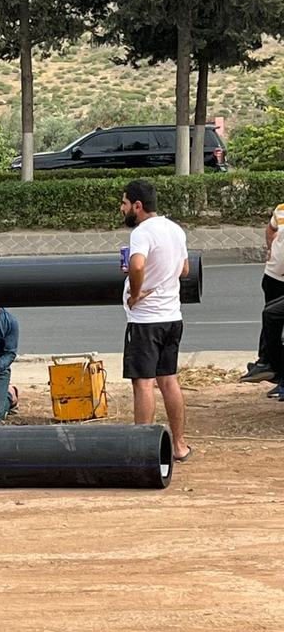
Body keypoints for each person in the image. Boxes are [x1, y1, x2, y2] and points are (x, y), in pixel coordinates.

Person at [120, 180, 192, 462]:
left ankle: (143, 450)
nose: (122, 208)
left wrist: (135, 293)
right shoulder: (175, 229)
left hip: (146, 321)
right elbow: (184, 269)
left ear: (138, 206)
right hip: (172, 316)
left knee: (143, 383)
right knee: (169, 380)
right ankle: (180, 445)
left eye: (125, 203)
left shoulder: (142, 233)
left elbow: (137, 265)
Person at [239, 202, 284, 384]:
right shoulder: (281, 209)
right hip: (274, 275)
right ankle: (267, 363)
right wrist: (270, 249)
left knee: (274, 318)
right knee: (270, 319)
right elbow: (271, 230)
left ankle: (278, 374)